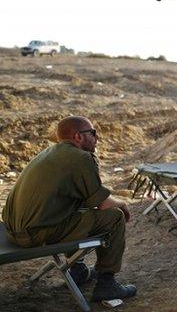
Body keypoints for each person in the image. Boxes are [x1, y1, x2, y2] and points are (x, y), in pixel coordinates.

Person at [1, 116, 137, 302]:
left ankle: (77, 270)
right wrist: (122, 204)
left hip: (13, 231)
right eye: (93, 133)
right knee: (114, 217)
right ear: (78, 136)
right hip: (36, 233)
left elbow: (85, 199)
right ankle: (107, 285)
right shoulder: (81, 158)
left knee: (77, 206)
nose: (97, 138)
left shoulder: (48, 153)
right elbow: (103, 204)